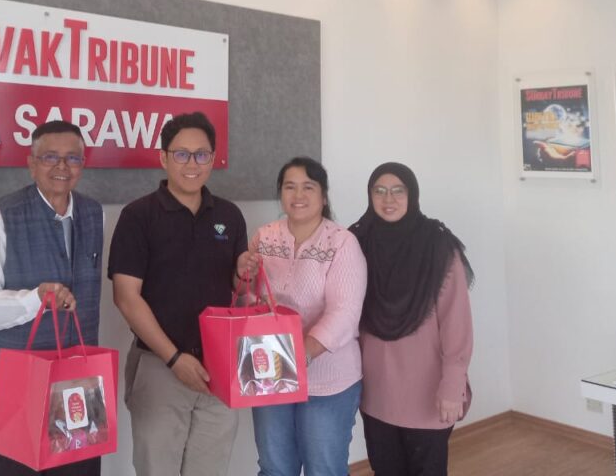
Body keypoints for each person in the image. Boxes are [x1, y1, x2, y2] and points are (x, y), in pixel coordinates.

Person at [107, 112, 258, 476]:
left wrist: (243, 275)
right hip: (160, 366)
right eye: (182, 154)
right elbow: (126, 297)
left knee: (210, 470)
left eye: (202, 154)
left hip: (220, 368)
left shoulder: (229, 215)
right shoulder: (138, 216)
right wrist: (174, 359)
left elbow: (237, 292)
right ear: (164, 158)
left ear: (213, 158)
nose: (193, 164)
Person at [0, 120, 104, 476]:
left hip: (74, 396)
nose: (62, 167)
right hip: (11, 396)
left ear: (83, 164)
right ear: (31, 163)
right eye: (50, 157)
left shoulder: (94, 214)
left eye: (72, 158)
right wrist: (33, 300)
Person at [349, 163, 474, 476]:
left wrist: (453, 385)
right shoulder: (358, 242)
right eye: (379, 191)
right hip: (377, 392)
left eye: (398, 191)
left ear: (412, 195)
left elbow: (456, 322)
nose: (388, 199)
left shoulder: (437, 246)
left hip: (428, 391)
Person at [249, 157, 367, 476]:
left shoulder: (342, 242)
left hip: (328, 380)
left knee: (323, 469)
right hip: (271, 373)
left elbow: (345, 312)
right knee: (274, 468)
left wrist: (302, 353)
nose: (298, 195)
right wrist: (241, 274)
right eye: (290, 187)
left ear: (323, 196)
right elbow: (248, 300)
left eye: (308, 187)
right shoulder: (264, 237)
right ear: (280, 194)